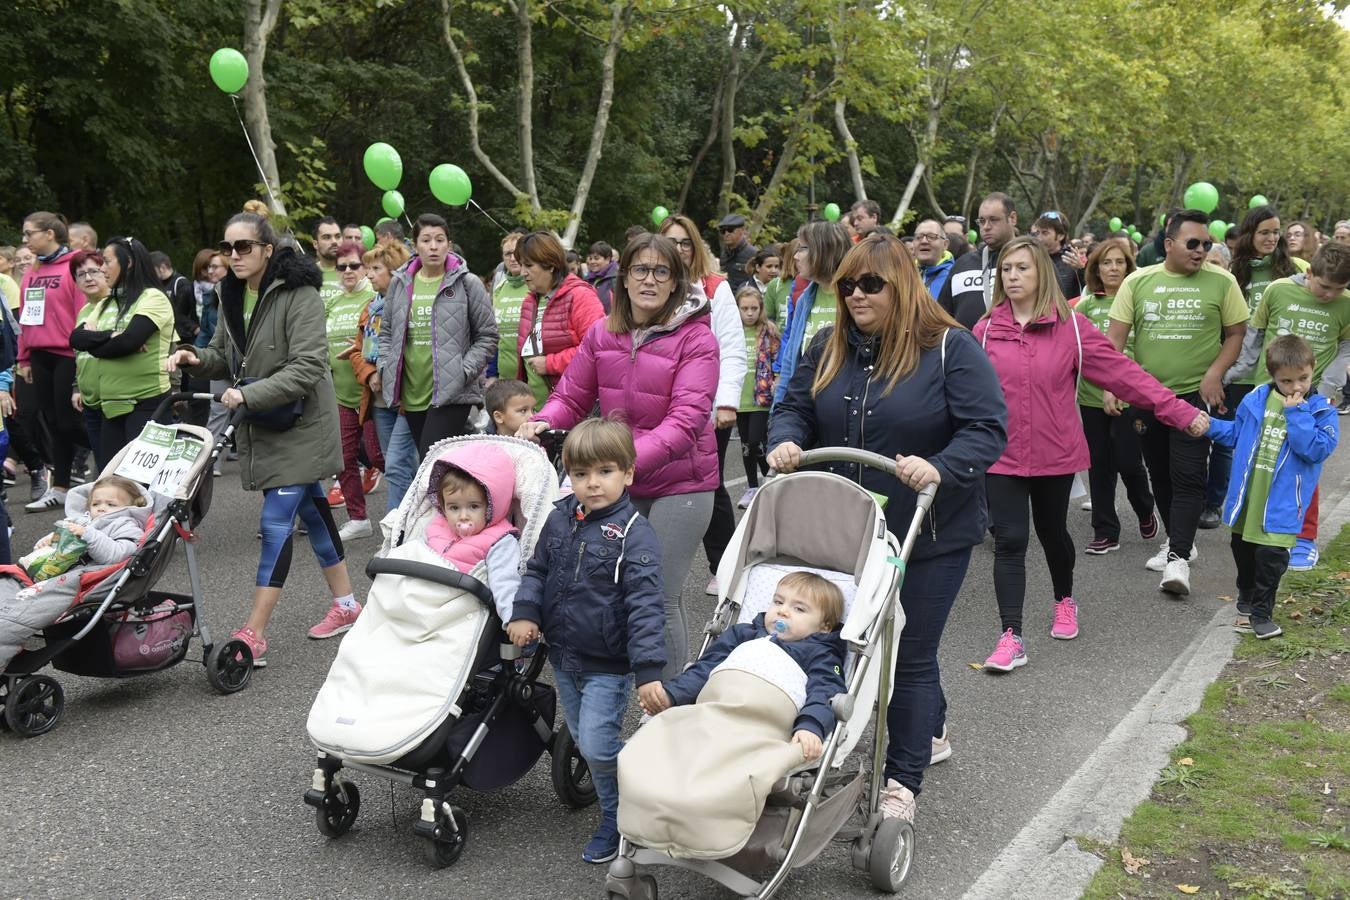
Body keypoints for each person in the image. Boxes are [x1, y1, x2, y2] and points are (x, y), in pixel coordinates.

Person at [767, 232, 1008, 831]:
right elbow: (792, 405)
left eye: (870, 283)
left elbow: (986, 429)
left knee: (907, 653)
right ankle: (930, 726)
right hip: (847, 532)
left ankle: (901, 780)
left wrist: (943, 466)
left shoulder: (952, 348)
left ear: (900, 285)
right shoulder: (828, 345)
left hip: (927, 534)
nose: (855, 294)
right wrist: (785, 440)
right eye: (846, 284)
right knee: (847, 643)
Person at [973, 237, 1206, 670]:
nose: (1013, 276)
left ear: (1041, 272)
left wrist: (1177, 410)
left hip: (1054, 453)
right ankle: (1011, 636)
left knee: (1052, 534)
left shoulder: (1072, 328)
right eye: (1006, 269)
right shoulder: (985, 330)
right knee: (1009, 541)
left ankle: (1064, 600)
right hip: (1001, 455)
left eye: (1022, 268)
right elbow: (964, 395)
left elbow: (1124, 374)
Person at [517, 233, 719, 681]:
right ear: (623, 279)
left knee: (658, 596)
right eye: (640, 270)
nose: (649, 279)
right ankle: (630, 684)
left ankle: (665, 703)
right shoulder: (601, 332)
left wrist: (619, 463)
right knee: (615, 590)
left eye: (661, 271)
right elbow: (570, 396)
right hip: (620, 479)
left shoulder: (698, 340)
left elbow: (685, 422)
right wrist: (542, 423)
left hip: (681, 484)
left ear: (674, 282)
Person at [166, 210, 353, 666]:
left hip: (301, 424)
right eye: (228, 248)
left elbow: (308, 366)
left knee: (275, 525)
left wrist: (247, 395)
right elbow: (224, 354)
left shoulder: (300, 293)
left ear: (267, 250)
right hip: (265, 421)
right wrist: (194, 357)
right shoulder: (231, 293)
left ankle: (254, 632)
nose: (233, 256)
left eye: (243, 247)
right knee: (311, 506)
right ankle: (347, 605)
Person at [506, 418, 665, 864]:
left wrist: (649, 671)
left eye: (605, 472)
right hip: (563, 654)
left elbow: (646, 605)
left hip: (607, 664)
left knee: (595, 744)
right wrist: (525, 611)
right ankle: (616, 776)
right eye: (580, 474)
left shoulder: (635, 535)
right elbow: (537, 570)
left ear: (629, 473)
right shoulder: (560, 519)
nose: (592, 484)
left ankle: (618, 820)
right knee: (581, 735)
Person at [1107, 209, 1249, 595]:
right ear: (1168, 245)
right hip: (1148, 397)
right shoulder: (1138, 282)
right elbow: (1115, 341)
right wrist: (1111, 386)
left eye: (1206, 244)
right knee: (1161, 472)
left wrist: (1214, 373)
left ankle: (1179, 560)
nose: (1201, 250)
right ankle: (1176, 540)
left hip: (1195, 397)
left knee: (1188, 475)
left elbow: (1236, 334)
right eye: (1193, 243)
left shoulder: (1223, 281)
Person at [1206, 335, 1337, 638]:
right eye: (1287, 381)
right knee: (1243, 551)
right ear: (1272, 375)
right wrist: (1208, 425)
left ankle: (1262, 614)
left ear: (1313, 369)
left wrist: (1296, 414)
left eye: (1303, 378)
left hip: (1282, 503)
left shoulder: (1320, 411)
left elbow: (1315, 450)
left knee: (1272, 558)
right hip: (1249, 497)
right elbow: (1237, 434)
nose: (1296, 388)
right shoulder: (1256, 399)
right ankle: (1246, 599)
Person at [640, 571, 846, 761]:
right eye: (778, 602)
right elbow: (706, 668)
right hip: (717, 706)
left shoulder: (821, 655)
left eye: (798, 609)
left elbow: (824, 691)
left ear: (824, 627)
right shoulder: (743, 634)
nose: (782, 611)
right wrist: (673, 694)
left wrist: (811, 725)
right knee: (665, 741)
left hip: (765, 722)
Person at [1240, 241, 1350, 571]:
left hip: (1314, 399)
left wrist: (1330, 386)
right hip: (1269, 392)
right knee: (1263, 460)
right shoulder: (1277, 291)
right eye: (1325, 286)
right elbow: (1254, 337)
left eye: (1339, 288)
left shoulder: (1346, 305)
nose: (1330, 294)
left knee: (1305, 465)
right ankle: (1259, 524)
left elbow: (1345, 349)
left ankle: (1304, 537)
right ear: (1309, 272)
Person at [656, 214, 746, 594]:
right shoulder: (649, 286)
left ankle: (724, 567)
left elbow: (732, 348)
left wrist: (725, 402)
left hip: (704, 409)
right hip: (656, 405)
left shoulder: (714, 288)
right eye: (669, 242)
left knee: (708, 485)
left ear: (694, 248)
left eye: (684, 243)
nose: (677, 250)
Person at [1206, 206, 1308, 529]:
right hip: (1235, 372)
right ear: (1250, 234)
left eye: (1276, 232)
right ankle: (1213, 504)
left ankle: (1264, 507)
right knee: (1228, 440)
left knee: (1273, 443)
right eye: (1264, 231)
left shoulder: (1297, 270)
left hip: (1277, 375)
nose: (1272, 238)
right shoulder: (1231, 272)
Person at [0, 476, 153, 672]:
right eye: (96, 503)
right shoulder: (82, 520)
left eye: (110, 504)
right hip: (45, 573)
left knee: (10, 621)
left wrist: (89, 535)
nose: (101, 508)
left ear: (131, 506)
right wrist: (48, 542)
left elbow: (117, 555)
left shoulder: (126, 525)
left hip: (78, 581)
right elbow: (59, 540)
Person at [378, 213, 497, 456]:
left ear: (449, 245)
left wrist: (462, 371)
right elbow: (387, 332)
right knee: (436, 463)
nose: (433, 246)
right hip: (412, 391)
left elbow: (488, 335)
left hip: (453, 393)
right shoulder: (399, 283)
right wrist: (385, 366)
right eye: (426, 240)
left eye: (440, 240)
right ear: (414, 245)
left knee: (430, 460)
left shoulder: (468, 283)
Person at [1074, 238, 1158, 555]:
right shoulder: (1085, 307)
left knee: (1127, 460)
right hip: (1091, 398)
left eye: (1119, 262)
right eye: (1106, 263)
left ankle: (1145, 506)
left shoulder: (1137, 302)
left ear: (1128, 267)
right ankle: (1105, 532)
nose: (1113, 268)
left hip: (1131, 396)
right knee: (1099, 465)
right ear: (1096, 268)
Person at [67, 238, 176, 464]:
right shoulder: (108, 302)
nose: (103, 269)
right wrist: (111, 336)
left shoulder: (153, 297)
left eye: (107, 262)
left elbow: (129, 341)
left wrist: (99, 343)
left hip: (146, 404)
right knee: (112, 482)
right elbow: (76, 338)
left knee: (140, 485)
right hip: (111, 408)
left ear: (128, 263)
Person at [18, 212, 91, 513]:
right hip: (38, 354)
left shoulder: (75, 265)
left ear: (49, 234)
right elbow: (26, 315)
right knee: (51, 423)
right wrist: (23, 357)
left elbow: (84, 312)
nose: (24, 240)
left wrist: (83, 352)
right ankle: (60, 487)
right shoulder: (32, 270)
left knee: (67, 421)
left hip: (67, 353)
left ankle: (117, 459)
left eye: (29, 233)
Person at [351, 240, 418, 514]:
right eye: (368, 268)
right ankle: (414, 522)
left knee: (397, 464)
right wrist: (369, 374)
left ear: (395, 271)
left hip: (406, 397)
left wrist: (391, 373)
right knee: (399, 464)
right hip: (379, 401)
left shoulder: (411, 305)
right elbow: (357, 351)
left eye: (376, 268)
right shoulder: (370, 307)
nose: (368, 275)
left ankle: (396, 530)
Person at [422, 443, 522, 624]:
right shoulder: (436, 527)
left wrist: (513, 618)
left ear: (492, 505)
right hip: (422, 601)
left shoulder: (500, 540)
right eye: (453, 507)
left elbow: (506, 583)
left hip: (460, 614)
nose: (463, 516)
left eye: (474, 506)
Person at [324, 241, 382, 541]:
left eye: (354, 265)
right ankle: (358, 518)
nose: (348, 271)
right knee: (343, 458)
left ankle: (413, 512)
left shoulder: (373, 296)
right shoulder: (332, 302)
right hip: (339, 393)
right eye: (342, 267)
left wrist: (361, 349)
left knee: (378, 455)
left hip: (370, 392)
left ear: (364, 267)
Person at [514, 231, 606, 407]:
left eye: (529, 265)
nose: (522, 273)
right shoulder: (529, 301)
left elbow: (597, 349)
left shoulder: (581, 296)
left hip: (571, 407)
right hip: (533, 409)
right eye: (521, 265)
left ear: (551, 265)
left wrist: (550, 363)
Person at [773, 220, 850, 405]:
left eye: (803, 248)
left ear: (824, 250)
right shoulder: (804, 301)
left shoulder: (855, 298)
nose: (796, 256)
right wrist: (778, 412)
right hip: (806, 408)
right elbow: (790, 361)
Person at [938, 192, 1019, 328]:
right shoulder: (962, 264)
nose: (986, 227)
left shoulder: (1035, 262)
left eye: (993, 220)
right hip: (964, 349)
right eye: (982, 221)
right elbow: (941, 318)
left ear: (1012, 218)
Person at [734, 285, 778, 508]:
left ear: (760, 308)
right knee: (745, 445)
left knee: (756, 441)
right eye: (744, 308)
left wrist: (777, 380)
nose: (749, 313)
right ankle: (752, 487)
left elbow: (777, 359)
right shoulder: (732, 330)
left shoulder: (768, 330)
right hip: (739, 400)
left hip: (761, 399)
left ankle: (769, 483)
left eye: (754, 308)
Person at [67, 250, 111, 466]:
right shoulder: (84, 311)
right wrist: (77, 387)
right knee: (102, 462)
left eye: (94, 271)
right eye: (81, 274)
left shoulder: (120, 305)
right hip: (90, 399)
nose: (88, 278)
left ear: (107, 272)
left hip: (116, 397)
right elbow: (79, 353)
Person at [150, 251, 201, 345]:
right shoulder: (158, 285)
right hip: (166, 337)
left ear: (162, 268)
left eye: (153, 270)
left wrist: (194, 328)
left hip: (184, 339)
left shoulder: (181, 283)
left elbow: (181, 314)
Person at [1029, 211, 1083, 301]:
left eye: (1045, 233)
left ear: (1060, 236)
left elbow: (1090, 292)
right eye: (1037, 232)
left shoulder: (1072, 260)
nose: (1039, 237)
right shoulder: (1032, 258)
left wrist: (1081, 271)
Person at [912, 219, 954, 299]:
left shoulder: (954, 276)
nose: (924, 241)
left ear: (945, 244)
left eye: (932, 237)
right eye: (918, 237)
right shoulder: (903, 275)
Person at [717, 214, 756, 293]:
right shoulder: (724, 254)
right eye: (723, 231)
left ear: (742, 230)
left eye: (730, 230)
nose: (726, 234)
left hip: (744, 301)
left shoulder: (753, 254)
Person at [313, 216, 344, 308]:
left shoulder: (355, 270)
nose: (334, 241)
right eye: (327, 237)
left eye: (338, 236)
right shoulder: (307, 275)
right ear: (315, 244)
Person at [746, 246, 783, 321]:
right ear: (758, 267)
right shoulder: (746, 287)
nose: (774, 270)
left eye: (776, 267)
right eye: (769, 266)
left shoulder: (782, 288)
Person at [585, 241, 619, 313]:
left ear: (607, 259)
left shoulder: (617, 278)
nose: (592, 262)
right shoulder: (587, 279)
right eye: (590, 258)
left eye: (596, 258)